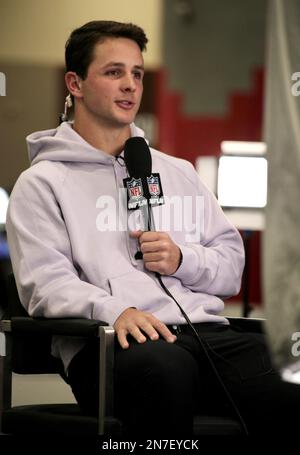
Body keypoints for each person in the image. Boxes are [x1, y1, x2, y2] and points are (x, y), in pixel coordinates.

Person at [6, 20, 300, 437]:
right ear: (75, 83)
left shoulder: (177, 172)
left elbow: (231, 265)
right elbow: (46, 286)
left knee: (285, 370)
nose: (130, 85)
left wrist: (183, 259)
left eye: (137, 73)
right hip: (111, 344)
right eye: (114, 72)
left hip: (203, 335)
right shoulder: (42, 183)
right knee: (166, 370)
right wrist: (116, 310)